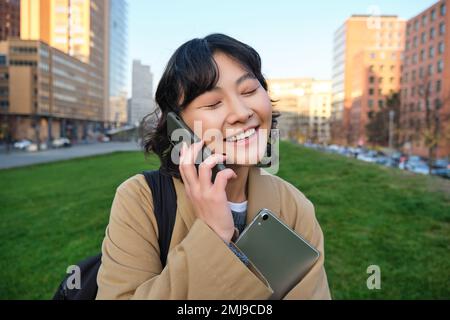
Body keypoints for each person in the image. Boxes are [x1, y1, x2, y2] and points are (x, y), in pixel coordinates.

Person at [96, 33, 331, 299]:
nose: (242, 113)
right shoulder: (140, 200)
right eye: (213, 103)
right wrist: (214, 235)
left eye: (250, 90)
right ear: (179, 126)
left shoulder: (294, 206)